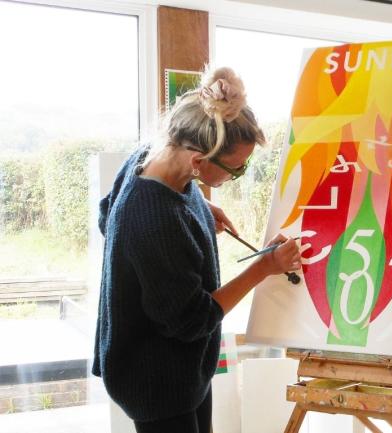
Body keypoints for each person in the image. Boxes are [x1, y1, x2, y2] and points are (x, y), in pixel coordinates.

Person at [93, 66, 300, 433]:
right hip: (155, 379)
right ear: (199, 161)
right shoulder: (155, 218)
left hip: (181, 369)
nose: (237, 176)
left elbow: (107, 213)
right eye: (235, 169)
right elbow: (191, 321)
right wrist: (261, 269)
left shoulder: (152, 157)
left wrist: (200, 209)